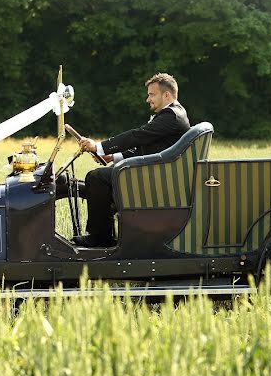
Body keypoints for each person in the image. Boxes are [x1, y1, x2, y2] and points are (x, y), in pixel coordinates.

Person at [74, 73, 190, 247]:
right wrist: (114, 157)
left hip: (155, 177)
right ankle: (103, 234)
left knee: (96, 177)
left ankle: (101, 238)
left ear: (166, 95)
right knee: (101, 176)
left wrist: (99, 147)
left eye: (152, 94)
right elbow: (147, 147)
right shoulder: (174, 114)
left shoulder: (171, 116)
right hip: (157, 172)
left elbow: (137, 136)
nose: (147, 99)